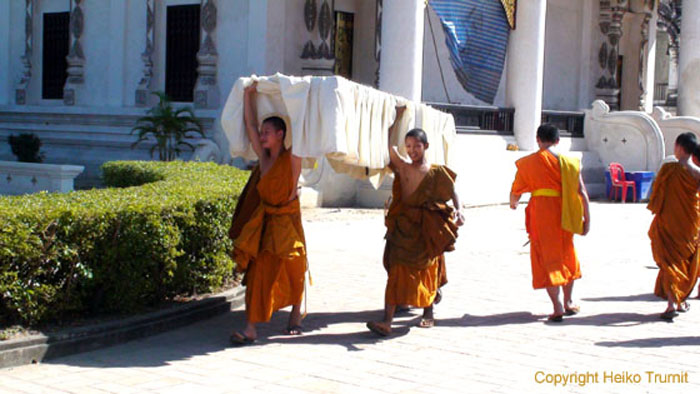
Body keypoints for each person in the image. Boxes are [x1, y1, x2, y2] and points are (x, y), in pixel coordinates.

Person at [367, 106, 464, 336]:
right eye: (408, 147)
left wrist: (459, 210)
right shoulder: (403, 167)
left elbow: (453, 191)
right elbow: (390, 148)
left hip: (426, 227)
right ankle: (387, 321)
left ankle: (428, 311)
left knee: (427, 269)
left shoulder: (437, 171)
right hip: (404, 226)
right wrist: (396, 119)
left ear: (426, 146)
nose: (412, 151)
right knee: (397, 271)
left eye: (416, 146)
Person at [229, 82, 307, 345]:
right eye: (262, 132)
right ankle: (251, 328)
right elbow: (249, 126)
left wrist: (303, 102)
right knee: (259, 274)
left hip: (287, 223)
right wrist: (248, 95)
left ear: (281, 134)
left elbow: (303, 132)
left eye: (267, 132)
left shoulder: (293, 158)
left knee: (295, 268)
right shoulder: (264, 159)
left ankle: (296, 314)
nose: (262, 136)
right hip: (266, 224)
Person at [509, 123, 591, 322]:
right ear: (557, 141)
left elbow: (516, 192)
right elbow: (582, 192)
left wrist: (514, 203)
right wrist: (586, 219)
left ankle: (557, 306)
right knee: (566, 254)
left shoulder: (529, 163)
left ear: (538, 140)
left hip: (542, 215)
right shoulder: (570, 162)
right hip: (566, 214)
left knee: (546, 257)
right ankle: (569, 301)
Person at [648, 132, 700, 321]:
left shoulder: (669, 169)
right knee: (684, 261)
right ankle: (678, 301)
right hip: (690, 223)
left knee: (670, 262)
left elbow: (656, 193)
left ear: (679, 147)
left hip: (669, 221)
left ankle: (672, 303)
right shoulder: (697, 173)